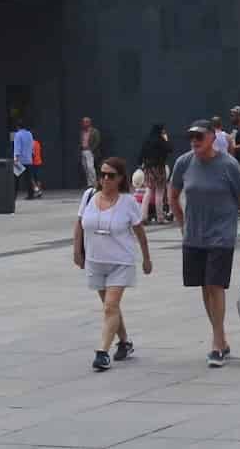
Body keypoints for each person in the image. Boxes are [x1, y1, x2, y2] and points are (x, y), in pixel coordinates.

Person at [171, 120, 240, 367]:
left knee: (215, 285)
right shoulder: (184, 163)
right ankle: (222, 339)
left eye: (199, 137)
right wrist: (182, 225)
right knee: (204, 287)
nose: (195, 142)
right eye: (191, 138)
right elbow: (172, 194)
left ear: (212, 137)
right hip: (195, 237)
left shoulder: (228, 165)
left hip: (221, 235)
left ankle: (217, 343)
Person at [74, 155, 151, 371]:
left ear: (120, 178)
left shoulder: (128, 202)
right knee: (111, 307)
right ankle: (125, 342)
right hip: (95, 261)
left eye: (111, 175)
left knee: (110, 306)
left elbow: (140, 233)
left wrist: (146, 258)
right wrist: (77, 251)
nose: (105, 179)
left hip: (121, 262)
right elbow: (79, 224)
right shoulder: (89, 195)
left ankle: (102, 353)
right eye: (102, 174)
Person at [137, 124, 173, 223]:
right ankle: (160, 217)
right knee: (159, 193)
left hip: (148, 168)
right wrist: (166, 139)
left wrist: (140, 165)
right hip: (159, 168)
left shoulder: (147, 140)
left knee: (148, 191)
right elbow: (170, 149)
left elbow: (141, 154)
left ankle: (143, 216)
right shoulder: (161, 141)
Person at [11, 120, 35, 202]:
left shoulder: (18, 135)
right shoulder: (29, 134)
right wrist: (32, 154)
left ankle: (13, 195)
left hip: (20, 160)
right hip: (28, 159)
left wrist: (16, 159)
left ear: (17, 127)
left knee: (16, 179)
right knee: (28, 178)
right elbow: (32, 145)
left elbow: (17, 148)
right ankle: (31, 194)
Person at [79, 116, 101, 190]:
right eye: (83, 122)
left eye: (86, 122)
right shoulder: (82, 132)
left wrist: (92, 149)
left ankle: (95, 183)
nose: (84, 123)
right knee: (85, 168)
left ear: (89, 123)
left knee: (90, 167)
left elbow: (97, 141)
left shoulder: (94, 131)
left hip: (90, 151)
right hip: (83, 151)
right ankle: (89, 184)